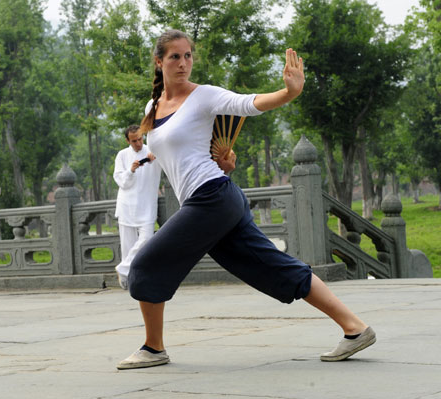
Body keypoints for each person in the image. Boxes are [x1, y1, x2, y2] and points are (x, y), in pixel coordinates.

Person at [117, 30, 375, 370]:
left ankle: (153, 348)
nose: (183, 63)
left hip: (211, 198)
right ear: (159, 61)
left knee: (146, 264)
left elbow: (246, 104)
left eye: (188, 55)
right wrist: (222, 157)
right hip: (216, 200)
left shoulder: (204, 96)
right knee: (271, 265)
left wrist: (288, 92)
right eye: (175, 57)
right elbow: (171, 151)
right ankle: (356, 329)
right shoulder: (153, 107)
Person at [113, 125, 162, 290]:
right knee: (127, 246)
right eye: (134, 141)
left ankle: (123, 268)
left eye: (140, 139)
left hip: (147, 205)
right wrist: (131, 170)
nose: (138, 143)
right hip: (127, 205)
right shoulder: (122, 155)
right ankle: (128, 280)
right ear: (128, 140)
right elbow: (121, 181)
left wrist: (158, 158)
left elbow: (168, 163)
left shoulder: (153, 152)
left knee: (147, 239)